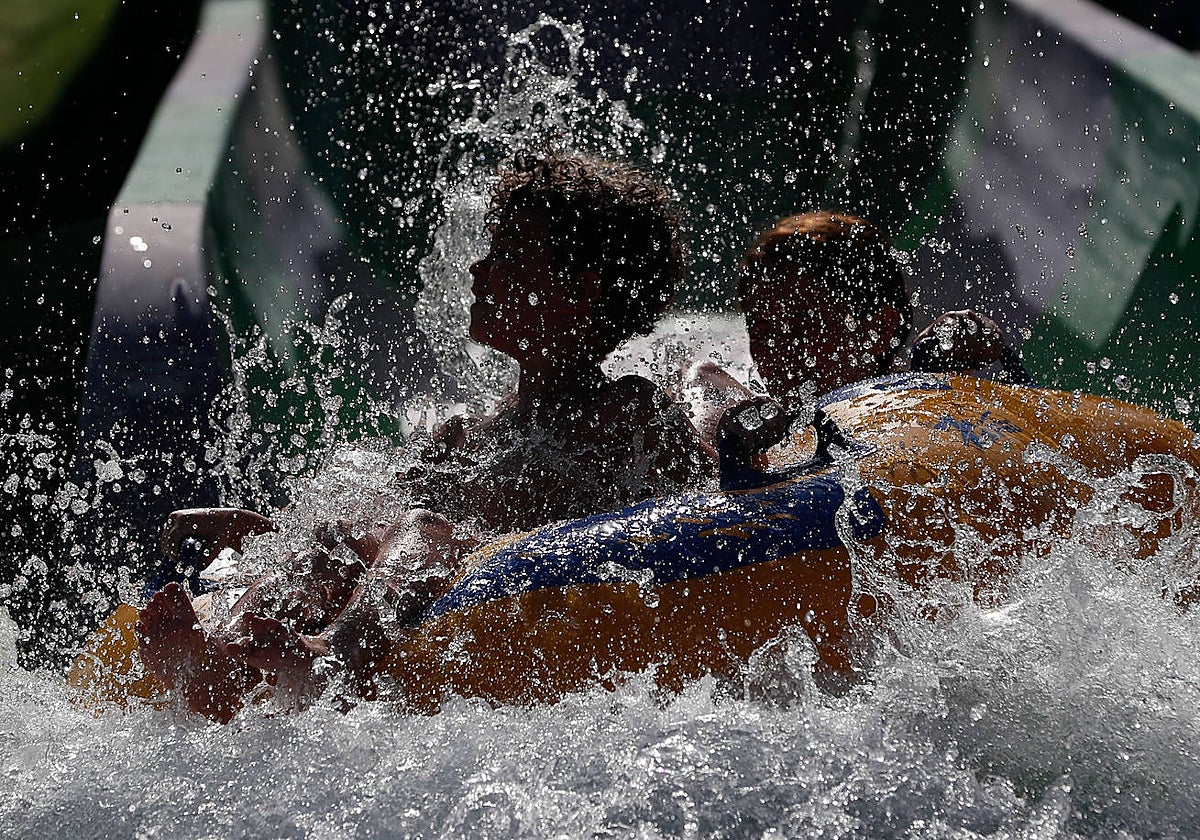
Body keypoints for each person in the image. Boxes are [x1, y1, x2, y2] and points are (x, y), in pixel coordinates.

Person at [136, 150, 716, 721]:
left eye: (509, 257)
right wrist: (265, 536)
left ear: (581, 294)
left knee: (428, 533)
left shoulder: (631, 411)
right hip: (423, 585)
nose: (478, 270)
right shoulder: (474, 432)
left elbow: (705, 504)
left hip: (524, 591)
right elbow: (375, 522)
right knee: (342, 530)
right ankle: (225, 648)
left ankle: (327, 661)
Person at [684, 210, 1028, 448]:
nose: (779, 350)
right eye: (763, 333)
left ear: (879, 331)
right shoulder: (753, 428)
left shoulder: (929, 405)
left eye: (803, 325)